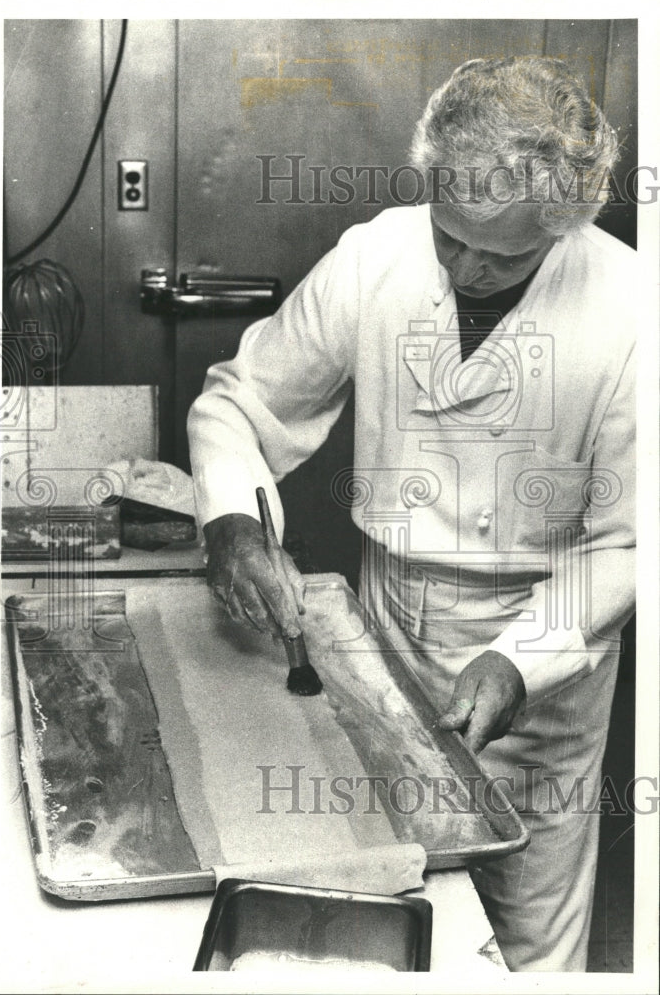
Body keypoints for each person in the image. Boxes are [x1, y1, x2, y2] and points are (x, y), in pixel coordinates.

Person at [187, 57, 635, 971]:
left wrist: (518, 664)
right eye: (451, 237)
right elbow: (238, 403)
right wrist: (229, 519)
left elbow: (631, 537)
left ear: (568, 224)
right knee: (380, 906)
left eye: (504, 255)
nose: (469, 270)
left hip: (546, 644)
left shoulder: (632, 308)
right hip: (383, 625)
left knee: (526, 934)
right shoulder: (378, 255)